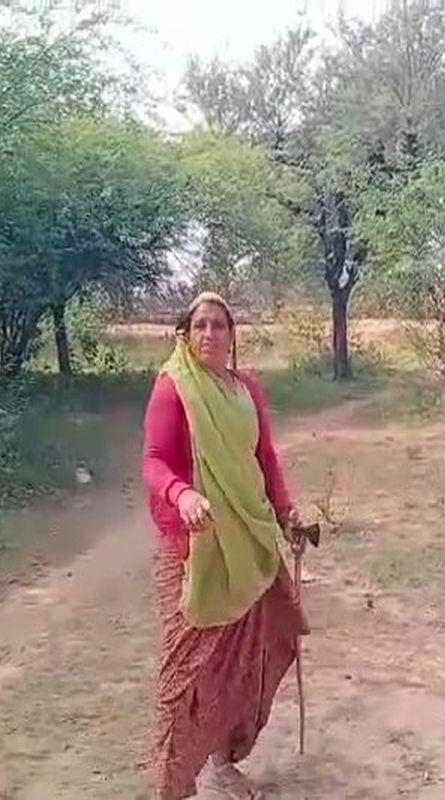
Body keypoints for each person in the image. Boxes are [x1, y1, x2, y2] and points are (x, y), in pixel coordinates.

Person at [141, 292, 307, 800]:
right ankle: (170, 786)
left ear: (233, 335)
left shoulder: (245, 390)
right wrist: (183, 493)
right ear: (186, 334)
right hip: (192, 548)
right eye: (201, 325)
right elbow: (153, 461)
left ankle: (222, 763)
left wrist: (286, 513)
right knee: (185, 674)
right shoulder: (174, 387)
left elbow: (264, 459)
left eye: (219, 325)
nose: (210, 334)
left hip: (248, 543)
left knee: (242, 662)